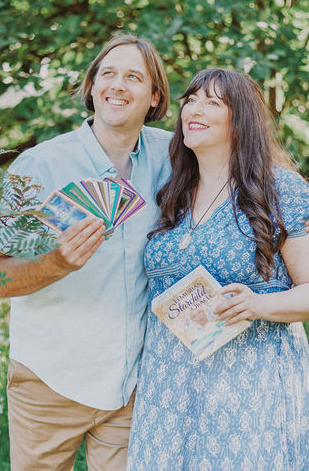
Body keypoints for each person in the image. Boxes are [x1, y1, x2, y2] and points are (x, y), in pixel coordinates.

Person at [0, 34, 172, 470]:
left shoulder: (174, 155)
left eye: (134, 77)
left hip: (132, 382)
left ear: (154, 97)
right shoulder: (38, 166)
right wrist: (57, 262)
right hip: (51, 380)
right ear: (91, 87)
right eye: (107, 73)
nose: (118, 85)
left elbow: (243, 165)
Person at [127, 68, 309, 470]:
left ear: (240, 119)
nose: (194, 107)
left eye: (213, 101)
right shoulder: (170, 191)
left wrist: (257, 305)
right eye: (190, 99)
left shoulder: (280, 189)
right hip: (168, 387)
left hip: (249, 388)